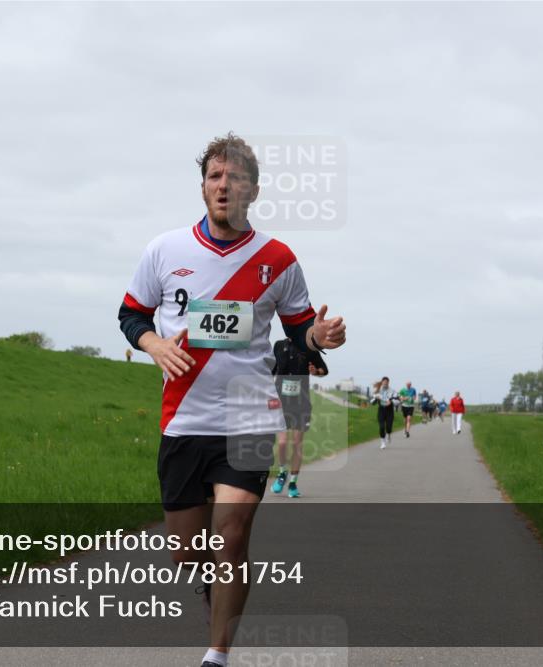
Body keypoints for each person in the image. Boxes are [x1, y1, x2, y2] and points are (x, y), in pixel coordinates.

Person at [118, 133, 347, 667]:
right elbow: (131, 315)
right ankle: (210, 592)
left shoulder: (278, 258)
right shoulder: (164, 250)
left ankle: (217, 655)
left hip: (249, 415)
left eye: (235, 178)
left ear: (254, 190)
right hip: (183, 419)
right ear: (203, 187)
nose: (224, 186)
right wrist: (154, 346)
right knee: (187, 551)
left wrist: (321, 336)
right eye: (215, 176)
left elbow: (298, 333)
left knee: (233, 536)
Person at [271, 337, 328, 498]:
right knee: (282, 443)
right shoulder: (279, 345)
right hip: (281, 401)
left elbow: (324, 369)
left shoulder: (309, 348)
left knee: (297, 443)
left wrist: (316, 372)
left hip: (301, 403)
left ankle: (293, 483)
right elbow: (272, 370)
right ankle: (282, 473)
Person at [370, 377, 398, 449]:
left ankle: (388, 434)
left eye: (386, 382)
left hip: (389, 410)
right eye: (384, 382)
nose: (385, 383)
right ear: (382, 382)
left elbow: (397, 401)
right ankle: (383, 442)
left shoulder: (392, 391)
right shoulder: (378, 391)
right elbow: (372, 402)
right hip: (381, 410)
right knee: (382, 427)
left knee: (389, 427)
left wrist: (391, 401)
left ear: (388, 382)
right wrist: (376, 399)